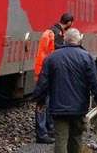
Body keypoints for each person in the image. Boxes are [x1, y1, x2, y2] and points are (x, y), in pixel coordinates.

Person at [33, 28, 97, 153]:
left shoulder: (52, 58)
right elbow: (94, 83)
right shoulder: (87, 58)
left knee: (60, 139)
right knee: (76, 138)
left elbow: (43, 83)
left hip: (58, 107)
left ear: (65, 40)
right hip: (79, 108)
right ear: (79, 41)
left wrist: (40, 101)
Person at [33, 13, 74, 144]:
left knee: (46, 102)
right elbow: (57, 55)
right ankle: (42, 133)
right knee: (43, 103)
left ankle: (47, 130)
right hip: (47, 73)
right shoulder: (56, 35)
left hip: (43, 72)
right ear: (69, 22)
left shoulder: (51, 32)